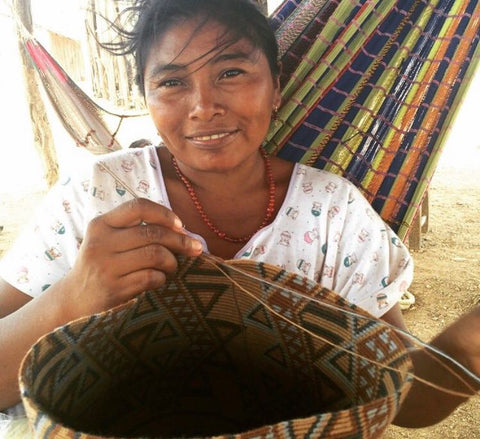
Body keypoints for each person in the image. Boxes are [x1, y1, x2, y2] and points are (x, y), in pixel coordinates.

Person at [0, 0, 478, 429]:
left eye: (231, 72)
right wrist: (73, 296)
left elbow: (403, 398)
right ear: (146, 97)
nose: (204, 107)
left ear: (276, 88)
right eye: (171, 82)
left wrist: (468, 344)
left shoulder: (335, 215)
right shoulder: (97, 197)